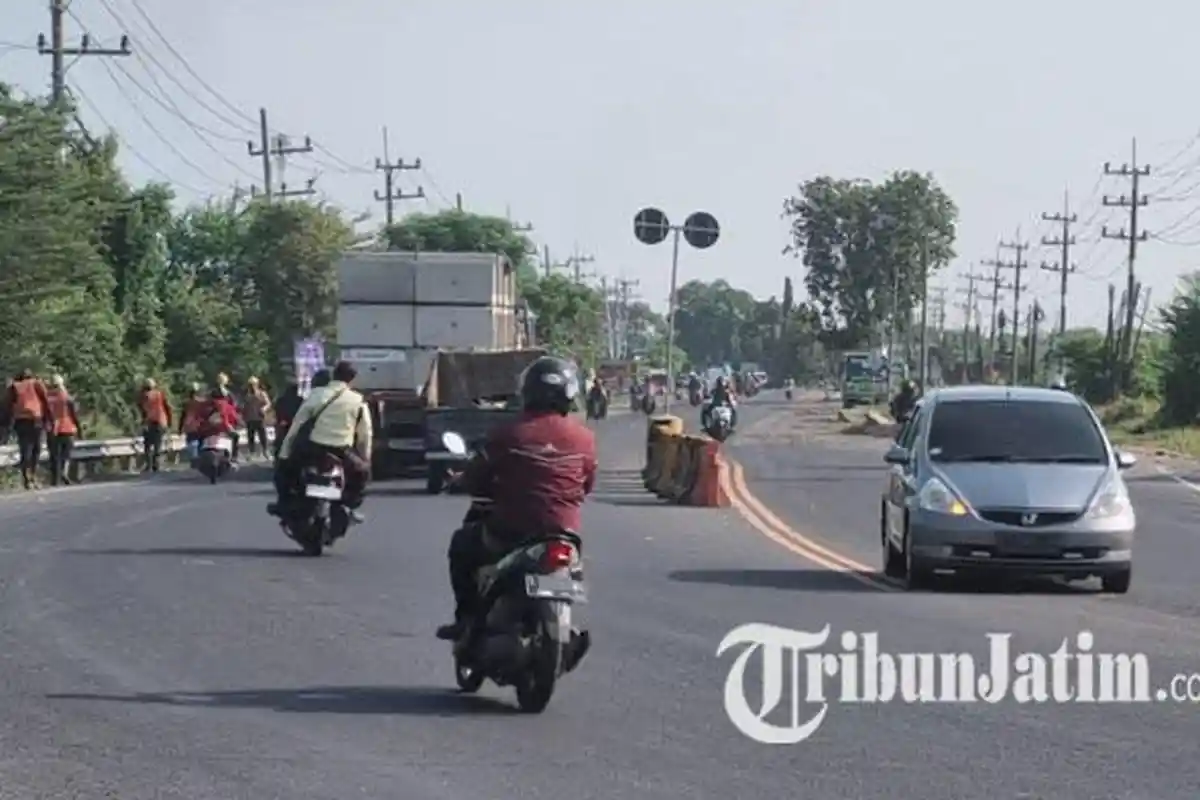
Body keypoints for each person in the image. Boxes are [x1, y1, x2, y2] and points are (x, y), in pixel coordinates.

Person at [436, 355, 598, 641]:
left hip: (512, 530)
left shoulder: (509, 433)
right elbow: (587, 485)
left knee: (462, 545)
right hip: (565, 531)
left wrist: (460, 481)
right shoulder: (584, 438)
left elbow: (477, 477)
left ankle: (465, 619)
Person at [268, 362, 370, 522]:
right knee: (362, 473)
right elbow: (365, 435)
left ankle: (283, 503)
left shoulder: (317, 395)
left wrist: (284, 453)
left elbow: (296, 426)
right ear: (352, 379)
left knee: (283, 472)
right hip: (341, 450)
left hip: (312, 448)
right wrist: (364, 459)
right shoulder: (357, 401)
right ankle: (349, 505)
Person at [7, 369, 50, 490]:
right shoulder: (36, 383)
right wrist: (49, 419)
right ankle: (33, 476)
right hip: (36, 419)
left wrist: (8, 423)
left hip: (20, 420)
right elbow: (46, 401)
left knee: (25, 448)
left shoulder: (14, 387)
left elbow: (7, 405)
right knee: (36, 448)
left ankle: (26, 477)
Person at [44, 374, 81, 487]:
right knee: (66, 454)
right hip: (66, 427)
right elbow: (73, 413)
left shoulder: (46, 397)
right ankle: (64, 472)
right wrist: (78, 428)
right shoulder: (65, 396)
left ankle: (54, 479)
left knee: (54, 455)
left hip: (51, 428)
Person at [137, 378, 173, 473]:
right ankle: (156, 465)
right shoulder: (160, 394)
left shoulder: (143, 396)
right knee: (158, 444)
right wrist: (169, 421)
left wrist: (143, 422)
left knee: (148, 444)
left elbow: (142, 410)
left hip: (149, 422)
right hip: (160, 421)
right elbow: (167, 407)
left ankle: (149, 465)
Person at [242, 376, 272, 459]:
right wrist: (243, 416)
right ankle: (251, 453)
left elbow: (268, 403)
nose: (252, 386)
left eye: (253, 384)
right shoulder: (247, 395)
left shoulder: (261, 393)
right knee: (251, 436)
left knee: (263, 436)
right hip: (250, 418)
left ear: (257, 384)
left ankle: (265, 451)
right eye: (250, 385)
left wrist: (264, 409)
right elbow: (244, 406)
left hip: (259, 418)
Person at [179, 383, 206, 457]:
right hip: (200, 426)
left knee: (191, 443)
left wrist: (180, 428)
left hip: (190, 426)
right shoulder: (202, 402)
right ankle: (200, 460)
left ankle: (194, 459)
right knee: (201, 444)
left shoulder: (186, 403)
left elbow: (183, 416)